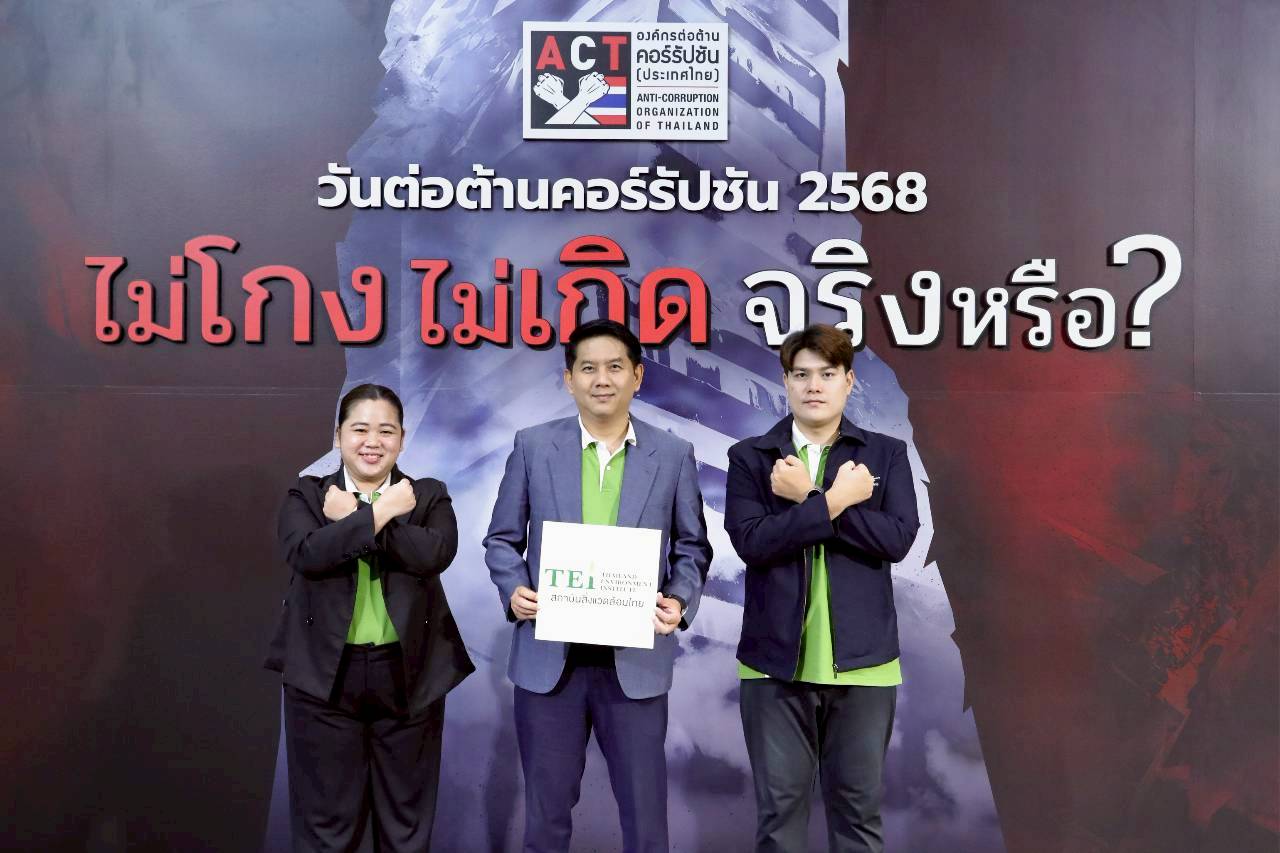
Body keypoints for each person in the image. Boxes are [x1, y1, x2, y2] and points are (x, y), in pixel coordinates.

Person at [483, 319, 713, 853]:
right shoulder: (533, 446)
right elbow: (501, 540)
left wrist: (679, 601)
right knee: (545, 822)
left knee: (646, 823)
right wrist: (514, 590)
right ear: (569, 379)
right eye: (588, 368)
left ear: (637, 376)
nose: (601, 379)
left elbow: (692, 547)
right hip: (549, 663)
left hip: (635, 663)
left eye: (614, 367)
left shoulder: (672, 453)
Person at [724, 324, 921, 853]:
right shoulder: (750, 457)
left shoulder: (885, 454)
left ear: (848, 381)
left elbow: (897, 540)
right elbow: (753, 543)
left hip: (865, 665)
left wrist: (808, 497)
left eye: (827, 374)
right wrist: (832, 501)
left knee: (858, 817)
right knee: (779, 818)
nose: (814, 386)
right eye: (801, 374)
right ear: (786, 382)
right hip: (772, 664)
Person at [265, 383, 474, 852]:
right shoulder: (308, 494)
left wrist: (360, 516)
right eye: (360, 429)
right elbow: (307, 553)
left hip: (409, 677)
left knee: (405, 826)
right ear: (338, 435)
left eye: (386, 430)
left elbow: (433, 554)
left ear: (401, 439)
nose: (372, 442)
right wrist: (378, 514)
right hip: (323, 679)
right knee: (326, 827)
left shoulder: (426, 495)